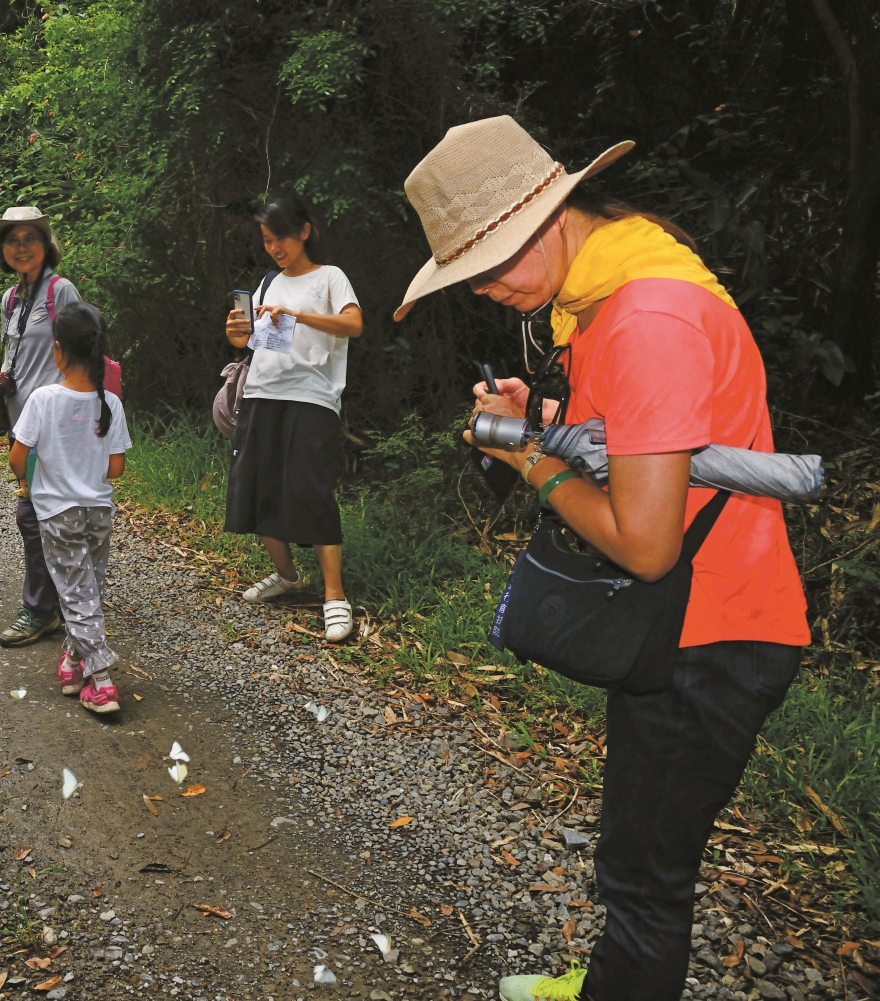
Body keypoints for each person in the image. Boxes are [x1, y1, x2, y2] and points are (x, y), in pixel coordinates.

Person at [394, 116, 810, 1001]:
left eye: (491, 263)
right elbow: (651, 444)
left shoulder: (645, 318)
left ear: (549, 216)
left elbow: (647, 544)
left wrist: (531, 463)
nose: (485, 289)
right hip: (690, 624)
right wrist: (544, 422)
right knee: (634, 852)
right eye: (469, 274)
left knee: (645, 879)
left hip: (710, 631)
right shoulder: (618, 289)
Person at [222, 196, 363, 643]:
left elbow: (353, 325)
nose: (274, 248)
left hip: (312, 397)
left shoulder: (330, 277)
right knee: (257, 486)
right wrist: (237, 334)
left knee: (310, 491)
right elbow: (257, 343)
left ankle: (334, 595)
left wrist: (297, 314)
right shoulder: (268, 282)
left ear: (304, 231)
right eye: (266, 240)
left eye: (280, 237)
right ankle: (287, 576)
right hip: (262, 392)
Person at [0, 206, 82, 647]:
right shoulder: (11, 299)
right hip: (22, 426)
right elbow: (11, 366)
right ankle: (66, 600)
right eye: (13, 240)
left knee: (36, 515)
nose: (21, 247)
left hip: (54, 425)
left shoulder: (60, 291)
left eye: (30, 238)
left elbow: (82, 354)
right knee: (44, 515)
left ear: (46, 245)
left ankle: (42, 609)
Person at [9, 301, 131, 714]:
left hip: (58, 514)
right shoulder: (110, 403)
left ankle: (102, 681)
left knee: (77, 595)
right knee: (87, 589)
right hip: (98, 512)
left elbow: (16, 458)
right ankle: (73, 662)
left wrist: (30, 478)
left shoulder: (43, 399)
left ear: (58, 350)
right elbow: (116, 469)